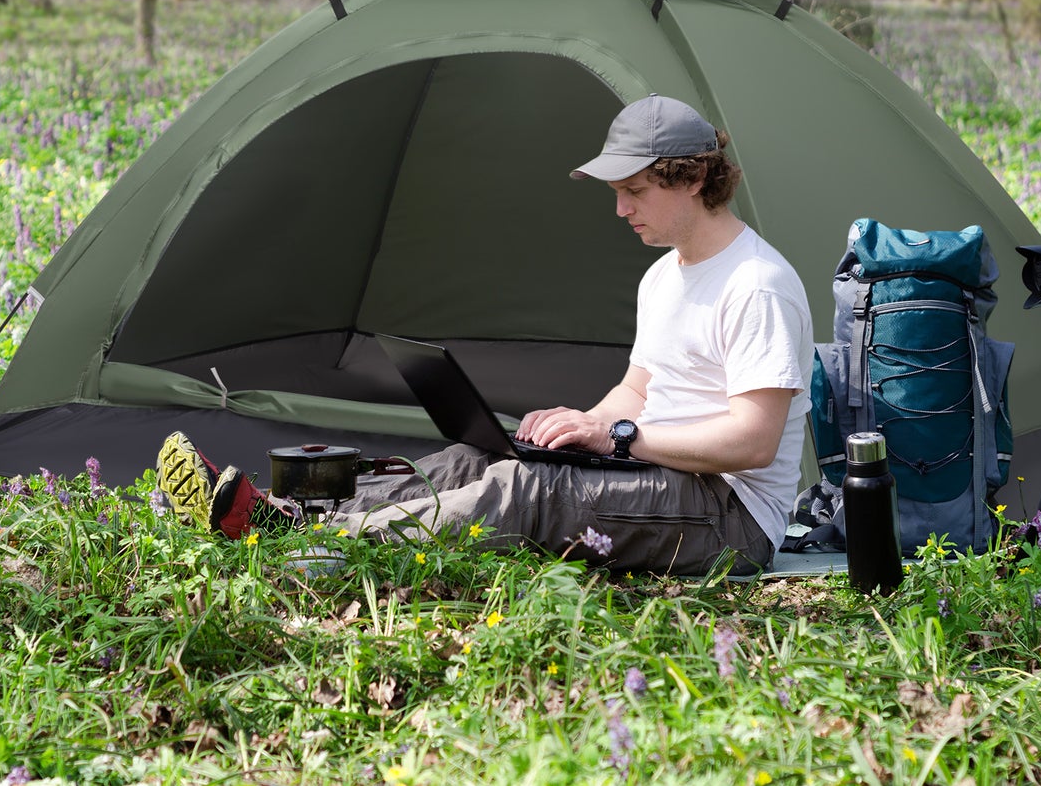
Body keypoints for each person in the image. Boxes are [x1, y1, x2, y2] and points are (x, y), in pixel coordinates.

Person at [157, 95, 813, 574]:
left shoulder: (755, 282)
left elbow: (751, 442)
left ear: (694, 177)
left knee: (527, 491)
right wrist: (578, 425)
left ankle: (312, 555)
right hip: (655, 469)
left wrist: (616, 437)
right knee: (480, 459)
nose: (620, 209)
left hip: (728, 514)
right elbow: (637, 390)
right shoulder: (664, 276)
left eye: (635, 191)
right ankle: (280, 515)